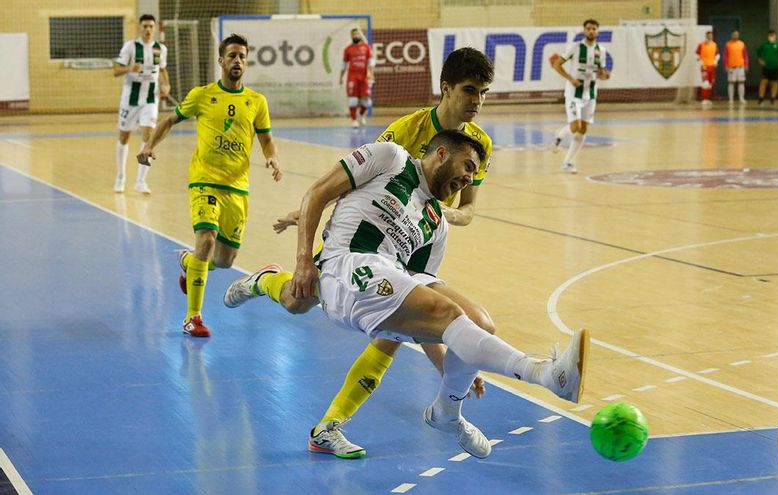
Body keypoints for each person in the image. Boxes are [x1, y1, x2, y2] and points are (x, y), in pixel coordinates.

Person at [225, 130, 590, 460]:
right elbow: (317, 193)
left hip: (383, 280)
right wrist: (304, 259)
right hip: (343, 264)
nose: (468, 178)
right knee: (295, 300)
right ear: (442, 153)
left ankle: (447, 412)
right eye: (467, 166)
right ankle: (545, 374)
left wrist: (452, 367)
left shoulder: (437, 224)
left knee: (480, 323)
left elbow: (424, 310)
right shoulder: (391, 158)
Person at [226, 47, 497, 459]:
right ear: (445, 88)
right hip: (365, 241)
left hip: (417, 239)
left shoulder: (480, 145)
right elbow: (353, 179)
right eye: (470, 91)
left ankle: (329, 426)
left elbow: (469, 209)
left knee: (392, 333)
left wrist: (444, 214)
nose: (477, 101)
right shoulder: (406, 131)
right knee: (298, 301)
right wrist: (305, 217)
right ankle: (265, 280)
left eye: (484, 93)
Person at [137, 33, 283, 337]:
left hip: (237, 187)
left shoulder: (256, 101)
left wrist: (272, 158)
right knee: (205, 238)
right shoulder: (202, 95)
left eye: (242, 56)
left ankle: (190, 263)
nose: (237, 61)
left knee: (225, 260)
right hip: (204, 180)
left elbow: (266, 138)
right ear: (221, 60)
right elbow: (167, 121)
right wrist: (151, 145)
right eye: (232, 56)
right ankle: (193, 317)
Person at [112, 14, 170, 194]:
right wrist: (129, 68)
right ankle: (121, 176)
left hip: (150, 100)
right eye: (145, 26)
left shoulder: (160, 49)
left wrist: (166, 84)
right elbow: (115, 70)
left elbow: (162, 70)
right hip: (130, 100)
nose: (148, 29)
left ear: (155, 29)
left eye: (151, 26)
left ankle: (141, 180)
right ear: (139, 27)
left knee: (149, 137)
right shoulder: (130, 47)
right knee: (124, 138)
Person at [551, 19, 610, 174]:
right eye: (588, 28)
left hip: (590, 94)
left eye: (594, 29)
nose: (591, 31)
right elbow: (557, 64)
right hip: (573, 93)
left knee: (583, 129)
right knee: (575, 126)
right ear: (584, 31)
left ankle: (567, 162)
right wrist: (571, 79)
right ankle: (559, 134)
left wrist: (604, 75)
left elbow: (601, 72)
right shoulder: (575, 47)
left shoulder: (601, 50)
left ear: (597, 31)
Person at [340, 28, 375, 128]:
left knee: (367, 101)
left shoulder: (366, 48)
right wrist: (341, 77)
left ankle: (361, 115)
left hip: (364, 77)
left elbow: (371, 62)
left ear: (360, 35)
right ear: (351, 36)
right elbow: (343, 65)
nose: (355, 36)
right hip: (352, 77)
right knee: (353, 100)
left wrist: (371, 74)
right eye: (354, 34)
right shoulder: (348, 49)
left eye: (357, 34)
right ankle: (354, 120)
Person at [756, 30, 778, 106]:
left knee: (774, 82)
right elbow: (758, 53)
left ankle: (773, 98)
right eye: (770, 36)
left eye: (773, 36)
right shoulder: (764, 45)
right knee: (763, 82)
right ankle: (761, 99)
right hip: (766, 67)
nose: (771, 37)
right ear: (768, 36)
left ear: (775, 36)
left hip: (775, 67)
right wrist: (760, 60)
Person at [723, 30, 748, 104]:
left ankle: (741, 98)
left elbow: (745, 55)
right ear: (731, 35)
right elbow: (725, 56)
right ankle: (731, 99)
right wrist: (726, 65)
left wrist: (746, 64)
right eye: (734, 34)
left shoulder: (742, 44)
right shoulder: (728, 44)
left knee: (741, 82)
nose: (735, 35)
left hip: (740, 66)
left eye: (737, 34)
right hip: (731, 66)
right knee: (731, 82)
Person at [695, 31, 720, 107]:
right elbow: (696, 54)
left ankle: (708, 98)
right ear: (706, 36)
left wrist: (716, 60)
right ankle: (704, 99)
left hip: (712, 66)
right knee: (705, 83)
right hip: (705, 67)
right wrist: (700, 62)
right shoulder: (701, 44)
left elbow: (717, 54)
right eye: (708, 35)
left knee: (711, 83)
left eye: (711, 36)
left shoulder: (714, 44)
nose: (710, 37)